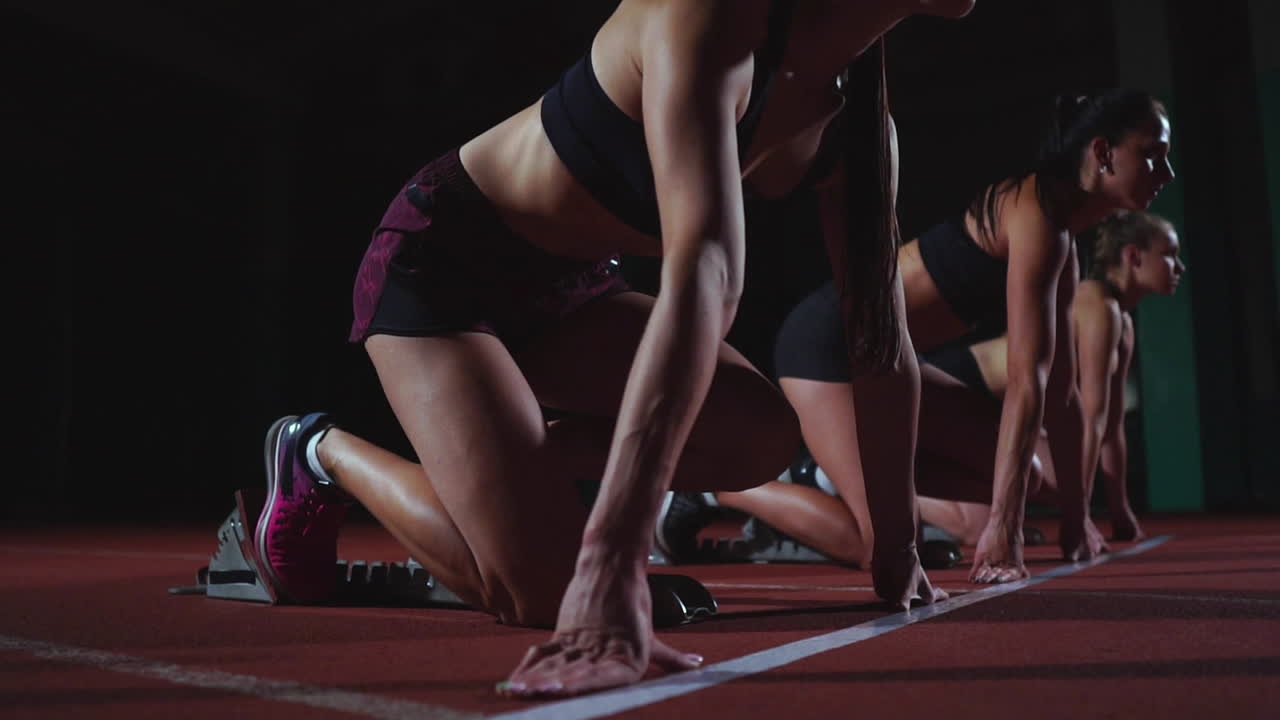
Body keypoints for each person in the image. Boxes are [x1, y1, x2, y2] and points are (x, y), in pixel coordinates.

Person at [251, 0, 978, 699]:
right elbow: (708, 279)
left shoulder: (859, 125)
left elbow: (879, 345)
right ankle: (318, 451)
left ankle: (513, 473)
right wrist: (609, 567)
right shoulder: (713, 14)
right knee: (542, 594)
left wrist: (896, 551)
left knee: (759, 437)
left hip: (572, 291)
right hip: (444, 268)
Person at [684, 88, 1175, 584]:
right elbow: (1028, 381)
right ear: (1103, 153)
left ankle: (838, 474)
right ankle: (718, 488)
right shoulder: (1034, 209)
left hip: (889, 364)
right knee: (883, 550)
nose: (1167, 173)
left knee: (1030, 476)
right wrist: (1002, 532)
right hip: (826, 350)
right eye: (1153, 155)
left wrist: (1077, 518)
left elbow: (1063, 394)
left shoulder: (1064, 244)